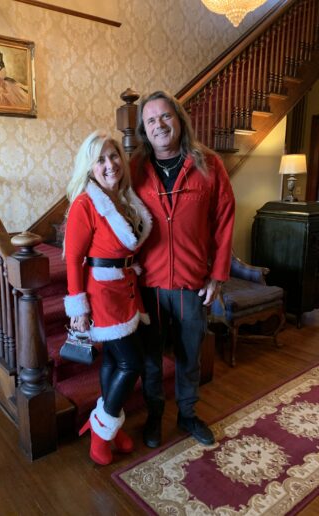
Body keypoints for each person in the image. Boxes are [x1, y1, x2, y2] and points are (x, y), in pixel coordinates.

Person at [131, 90, 235, 448]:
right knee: (151, 361)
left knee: (190, 357)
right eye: (151, 120)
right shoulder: (134, 168)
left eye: (165, 116)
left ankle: (188, 415)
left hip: (192, 284)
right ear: (144, 129)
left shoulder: (209, 164)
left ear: (179, 119)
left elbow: (224, 220)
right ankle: (155, 416)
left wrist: (218, 274)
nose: (159, 124)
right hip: (150, 285)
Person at [63, 130, 153, 465]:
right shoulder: (85, 203)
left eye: (113, 155)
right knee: (132, 363)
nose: (110, 164)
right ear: (89, 167)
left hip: (126, 287)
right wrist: (77, 307)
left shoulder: (126, 198)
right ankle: (102, 432)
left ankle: (107, 426)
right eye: (100, 159)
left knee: (115, 361)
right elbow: (72, 259)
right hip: (101, 292)